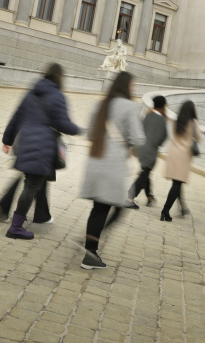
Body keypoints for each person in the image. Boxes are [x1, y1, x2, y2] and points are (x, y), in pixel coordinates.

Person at [1, 64, 82, 240]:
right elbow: (63, 124)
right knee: (31, 185)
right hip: (43, 146)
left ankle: (40, 216)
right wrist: (80, 130)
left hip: (25, 142)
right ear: (60, 78)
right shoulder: (58, 96)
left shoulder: (32, 92)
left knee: (34, 182)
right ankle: (16, 227)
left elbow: (16, 117)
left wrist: (7, 140)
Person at [79, 72, 145, 269]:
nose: (134, 89)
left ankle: (90, 248)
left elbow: (90, 133)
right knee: (115, 208)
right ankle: (89, 250)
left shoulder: (100, 105)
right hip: (113, 166)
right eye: (133, 85)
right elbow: (138, 138)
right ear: (126, 87)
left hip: (96, 162)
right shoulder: (131, 107)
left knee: (99, 208)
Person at [160, 101, 200, 221]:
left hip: (173, 153)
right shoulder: (192, 122)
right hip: (183, 156)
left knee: (177, 183)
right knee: (177, 183)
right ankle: (165, 211)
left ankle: (182, 208)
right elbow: (198, 137)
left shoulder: (177, 121)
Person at [127, 95, 169, 208]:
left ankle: (149, 196)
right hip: (151, 151)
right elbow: (164, 137)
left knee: (145, 172)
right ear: (163, 106)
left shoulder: (146, 115)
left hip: (141, 148)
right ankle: (129, 197)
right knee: (144, 173)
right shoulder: (162, 120)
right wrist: (156, 144)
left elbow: (139, 129)